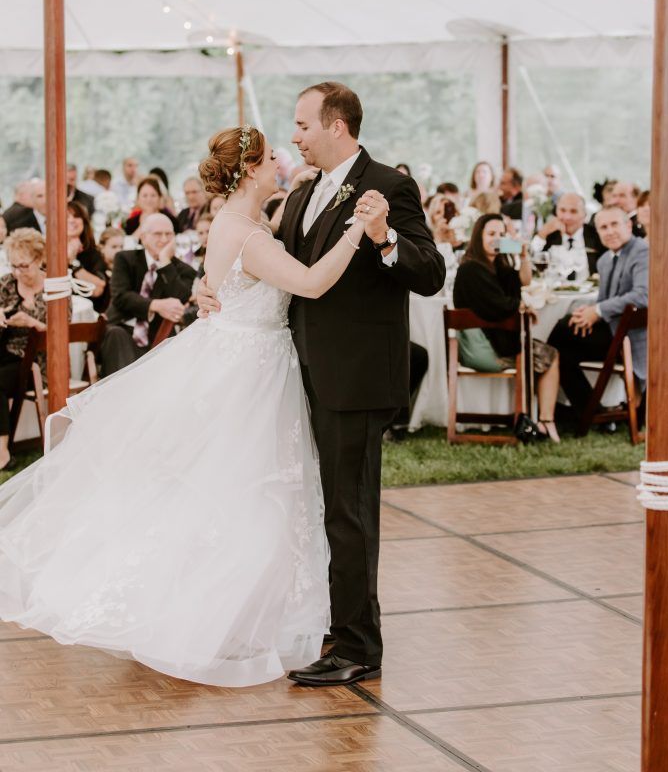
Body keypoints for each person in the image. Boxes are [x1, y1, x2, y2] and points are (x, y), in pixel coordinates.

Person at [0, 125, 386, 687]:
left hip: (239, 356)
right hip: (251, 369)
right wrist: (356, 231)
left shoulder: (241, 222)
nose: (282, 159)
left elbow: (263, 241)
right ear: (252, 169)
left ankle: (251, 605)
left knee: (234, 486)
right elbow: (309, 282)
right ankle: (220, 612)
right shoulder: (247, 234)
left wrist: (300, 187)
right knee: (246, 491)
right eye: (273, 158)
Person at [199, 82, 446, 687]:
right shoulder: (304, 192)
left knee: (350, 510)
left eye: (303, 124)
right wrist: (210, 289)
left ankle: (359, 645)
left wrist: (386, 237)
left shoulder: (389, 185)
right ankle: (337, 623)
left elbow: (432, 273)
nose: (294, 136)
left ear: (337, 126)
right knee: (321, 505)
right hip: (296, 373)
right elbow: (270, 269)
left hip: (355, 377)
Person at [453, 214, 561, 442]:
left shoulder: (495, 266)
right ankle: (545, 422)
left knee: (548, 353)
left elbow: (523, 281)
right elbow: (497, 306)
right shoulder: (471, 269)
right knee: (551, 356)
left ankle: (540, 420)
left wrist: (522, 256)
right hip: (486, 350)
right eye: (491, 234)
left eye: (501, 235)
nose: (497, 239)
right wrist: (520, 305)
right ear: (478, 237)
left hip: (489, 343)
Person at [548, 207, 649, 430]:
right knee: (560, 347)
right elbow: (605, 301)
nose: (610, 231)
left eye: (615, 225)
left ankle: (586, 413)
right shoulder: (604, 260)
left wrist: (599, 311)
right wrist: (590, 311)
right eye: (604, 227)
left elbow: (643, 296)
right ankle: (593, 413)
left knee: (560, 335)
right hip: (612, 331)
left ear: (628, 226)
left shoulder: (641, 252)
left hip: (630, 338)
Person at [100, 213, 195, 375]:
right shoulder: (125, 259)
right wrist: (155, 305)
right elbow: (121, 297)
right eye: (158, 234)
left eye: (169, 234)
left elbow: (181, 298)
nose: (164, 239)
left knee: (170, 347)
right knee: (116, 335)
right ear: (143, 238)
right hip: (122, 327)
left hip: (158, 333)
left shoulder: (183, 270)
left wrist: (165, 262)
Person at [0, 230, 54, 472]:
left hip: (37, 363)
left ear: (39, 258)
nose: (18, 273)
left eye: (23, 266)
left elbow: (62, 333)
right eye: (14, 266)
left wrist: (32, 323)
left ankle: (1, 452)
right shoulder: (6, 284)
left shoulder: (54, 287)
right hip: (6, 351)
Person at [533, 192, 606, 278]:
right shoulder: (548, 235)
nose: (567, 217)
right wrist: (542, 234)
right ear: (556, 211)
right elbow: (531, 262)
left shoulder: (596, 235)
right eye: (562, 210)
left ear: (584, 214)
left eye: (573, 211)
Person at [66, 201, 108, 308]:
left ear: (84, 222)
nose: (71, 220)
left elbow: (98, 290)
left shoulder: (93, 253)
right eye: (66, 217)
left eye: (76, 216)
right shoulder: (48, 253)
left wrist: (73, 263)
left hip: (87, 314)